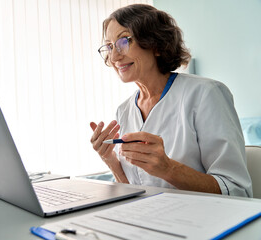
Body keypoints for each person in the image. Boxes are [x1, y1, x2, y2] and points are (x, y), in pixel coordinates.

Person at [90, 4, 252, 197]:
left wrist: (168, 168)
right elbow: (136, 193)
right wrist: (109, 159)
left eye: (123, 41)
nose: (114, 56)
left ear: (156, 45)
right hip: (149, 220)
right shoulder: (124, 110)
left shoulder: (206, 94)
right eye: (109, 46)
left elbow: (237, 191)